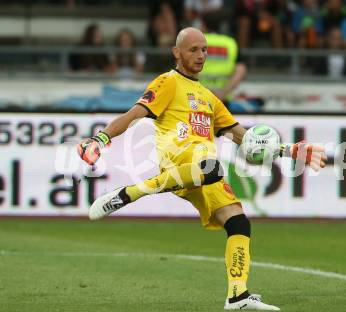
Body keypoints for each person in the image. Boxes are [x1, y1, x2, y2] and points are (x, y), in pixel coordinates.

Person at [77, 27, 326, 310]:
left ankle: (237, 295)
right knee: (212, 167)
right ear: (177, 52)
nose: (200, 55)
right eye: (193, 49)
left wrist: (289, 151)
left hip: (207, 172)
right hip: (178, 161)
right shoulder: (167, 82)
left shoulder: (208, 97)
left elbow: (242, 137)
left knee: (238, 222)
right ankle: (131, 192)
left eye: (204, 50)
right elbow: (134, 114)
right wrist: (102, 137)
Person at [199, 13, 247, 102]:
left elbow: (183, 67)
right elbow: (241, 70)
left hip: (197, 98)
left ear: (203, 24)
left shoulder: (197, 41)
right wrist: (223, 94)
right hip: (223, 99)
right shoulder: (230, 43)